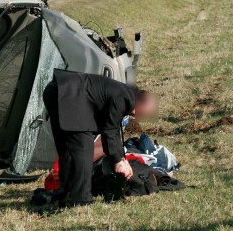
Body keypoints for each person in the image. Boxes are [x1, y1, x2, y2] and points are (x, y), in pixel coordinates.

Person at [43, 69, 158, 206]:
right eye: (147, 112)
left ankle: (65, 191)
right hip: (70, 96)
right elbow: (110, 130)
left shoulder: (123, 92)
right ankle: (80, 198)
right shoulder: (124, 96)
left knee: (67, 149)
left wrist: (120, 158)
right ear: (142, 103)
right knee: (83, 148)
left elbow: (110, 129)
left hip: (57, 91)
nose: (145, 117)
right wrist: (118, 161)